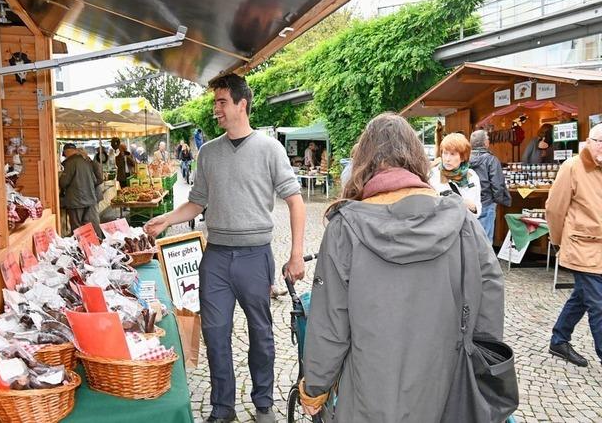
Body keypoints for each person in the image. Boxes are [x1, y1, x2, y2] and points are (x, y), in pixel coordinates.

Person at [299, 113, 504, 421]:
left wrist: (315, 388)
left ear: (363, 161)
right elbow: (489, 296)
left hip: (369, 395)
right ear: (417, 159)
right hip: (446, 388)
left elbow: (330, 322)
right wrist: (484, 370)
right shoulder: (461, 221)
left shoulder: (345, 227)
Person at [144, 73, 306, 423]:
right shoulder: (208, 152)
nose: (216, 109)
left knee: (262, 335)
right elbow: (197, 203)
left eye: (221, 102)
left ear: (241, 104)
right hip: (215, 256)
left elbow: (295, 200)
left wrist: (295, 254)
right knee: (215, 334)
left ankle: (264, 404)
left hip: (255, 256)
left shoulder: (270, 149)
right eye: (215, 102)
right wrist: (166, 220)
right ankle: (223, 408)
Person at [546, 123, 602, 368]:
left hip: (597, 248)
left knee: (582, 296)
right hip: (582, 246)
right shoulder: (572, 167)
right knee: (599, 304)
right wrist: (559, 242)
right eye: (599, 141)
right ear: (588, 141)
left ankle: (559, 339)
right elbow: (555, 209)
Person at [469, 129, 512, 243]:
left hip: (469, 203)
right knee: (486, 240)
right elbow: (497, 183)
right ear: (485, 143)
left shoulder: (464, 160)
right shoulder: (491, 159)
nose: (489, 140)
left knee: (471, 239)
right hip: (487, 202)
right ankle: (485, 261)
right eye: (488, 138)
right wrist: (498, 200)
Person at [429, 133, 482, 217]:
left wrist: (472, 207)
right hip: (441, 226)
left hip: (463, 225)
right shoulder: (433, 175)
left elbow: (477, 210)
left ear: (463, 157)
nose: (447, 159)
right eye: (445, 153)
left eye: (453, 154)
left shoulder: (471, 175)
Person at [59, 143, 102, 236]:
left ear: (67, 152)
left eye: (65, 154)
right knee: (88, 225)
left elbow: (63, 182)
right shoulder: (86, 161)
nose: (65, 156)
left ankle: (81, 247)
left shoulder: (70, 163)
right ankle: (92, 245)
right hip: (89, 198)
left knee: (77, 227)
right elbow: (95, 180)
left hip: (76, 200)